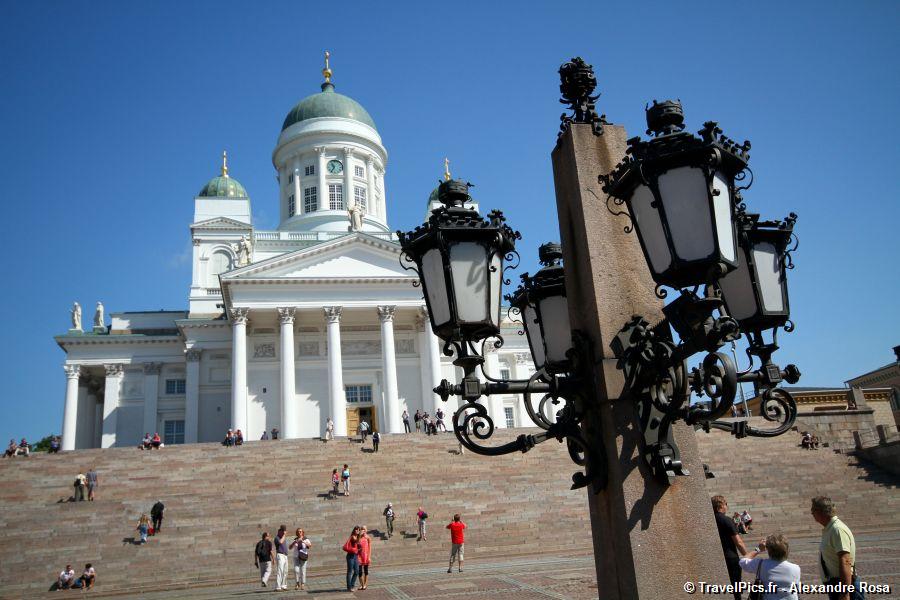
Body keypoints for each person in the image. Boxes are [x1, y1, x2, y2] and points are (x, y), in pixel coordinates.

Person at [811, 496, 859, 600]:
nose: (811, 513)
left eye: (813, 510)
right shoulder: (830, 528)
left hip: (842, 583)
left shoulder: (837, 530)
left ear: (820, 512)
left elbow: (845, 560)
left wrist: (845, 593)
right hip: (836, 583)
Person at [739, 533, 801, 600]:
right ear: (786, 550)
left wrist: (758, 549)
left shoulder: (760, 564)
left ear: (768, 550)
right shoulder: (796, 568)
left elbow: (742, 561)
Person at [712, 495, 747, 600]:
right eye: (726, 504)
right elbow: (739, 542)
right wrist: (747, 555)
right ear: (721, 505)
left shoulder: (710, 520)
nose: (727, 506)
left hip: (717, 558)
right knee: (736, 587)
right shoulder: (726, 520)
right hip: (731, 557)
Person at [343, 526, 361, 591]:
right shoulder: (353, 537)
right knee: (350, 571)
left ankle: (352, 585)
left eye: (358, 530)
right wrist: (360, 536)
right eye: (356, 530)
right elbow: (355, 540)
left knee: (356, 571)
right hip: (350, 556)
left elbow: (358, 546)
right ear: (354, 530)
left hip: (355, 556)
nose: (357, 531)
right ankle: (349, 587)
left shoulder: (357, 537)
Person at [274, 525, 289, 591]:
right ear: (279, 531)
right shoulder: (277, 538)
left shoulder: (283, 537)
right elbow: (280, 542)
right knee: (280, 570)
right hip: (280, 555)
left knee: (285, 571)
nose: (284, 532)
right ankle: (278, 586)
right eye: (282, 531)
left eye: (284, 531)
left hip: (285, 555)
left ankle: (284, 586)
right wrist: (284, 535)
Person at [357, 525, 372, 590]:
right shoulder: (358, 537)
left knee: (366, 571)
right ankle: (361, 584)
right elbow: (355, 545)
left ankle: (365, 584)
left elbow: (370, 548)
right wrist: (359, 536)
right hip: (359, 556)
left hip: (366, 556)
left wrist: (369, 557)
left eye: (364, 529)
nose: (363, 530)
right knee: (359, 571)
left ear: (366, 530)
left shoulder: (368, 538)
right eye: (362, 529)